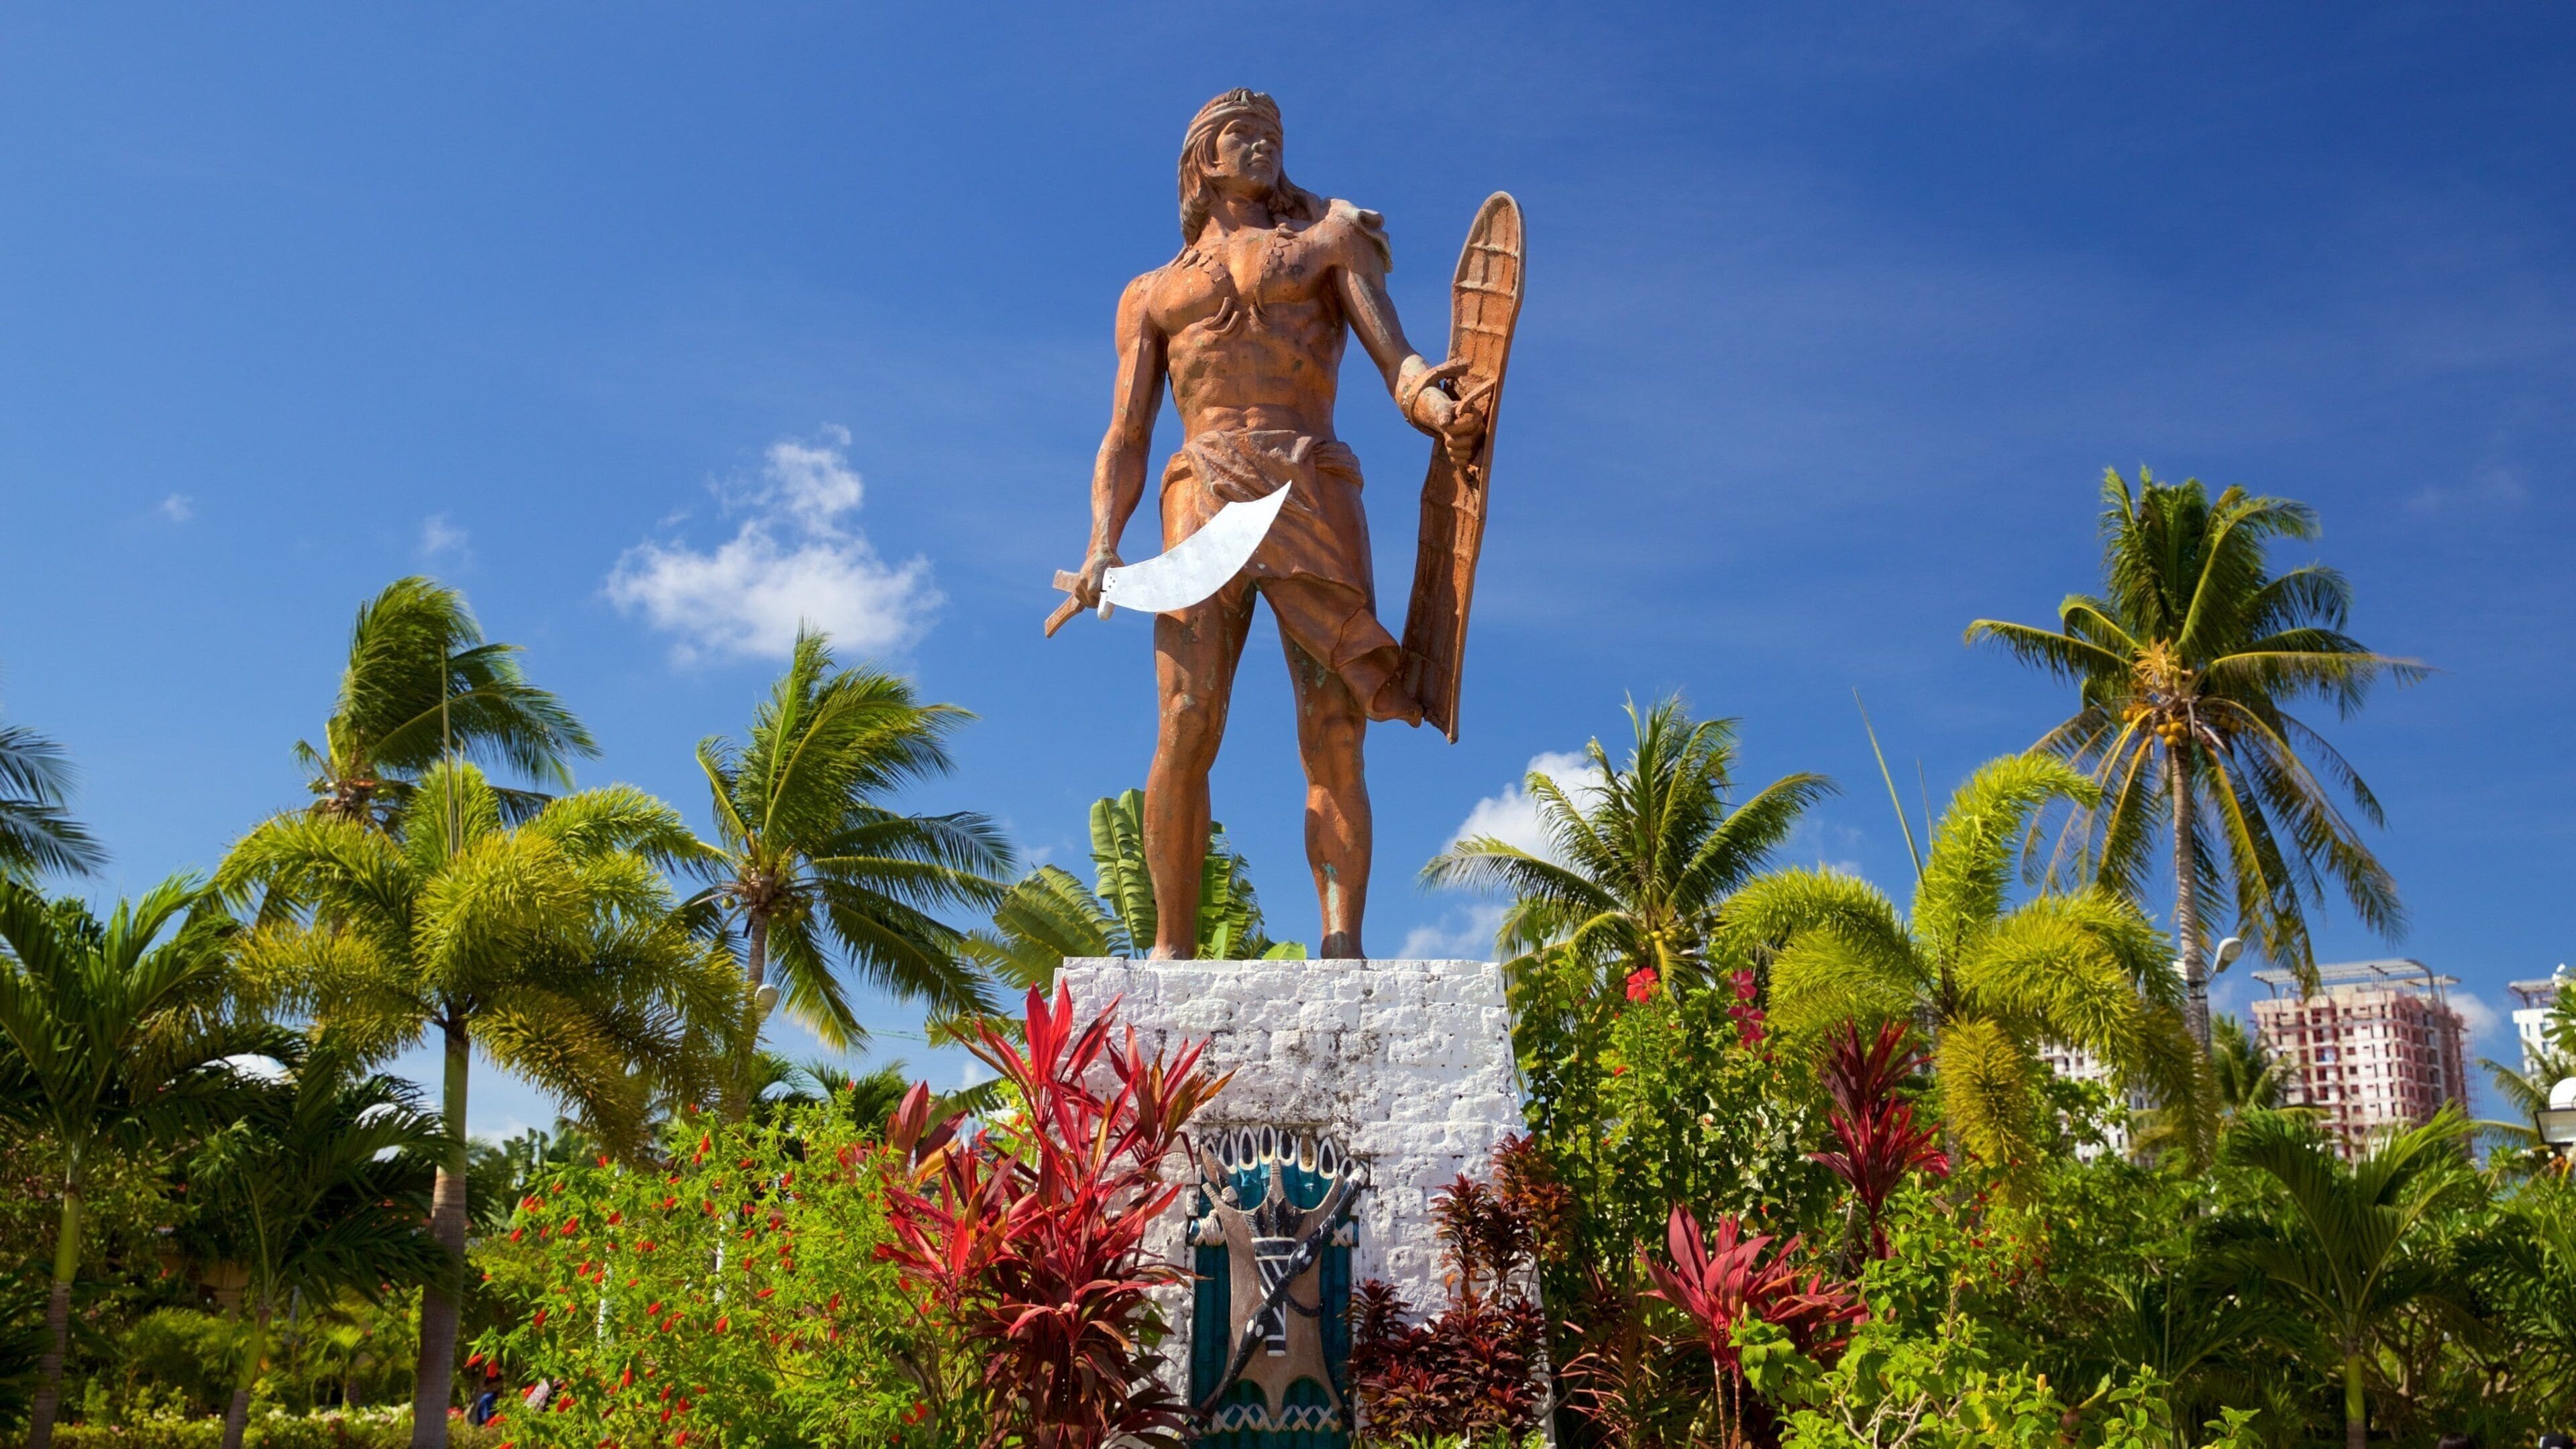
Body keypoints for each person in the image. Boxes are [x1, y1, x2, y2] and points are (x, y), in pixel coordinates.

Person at [1067, 89, 1483, 959]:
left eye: (1270, 136)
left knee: (1335, 725)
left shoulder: (1330, 240)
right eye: (1239, 136)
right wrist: (1104, 542)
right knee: (1185, 719)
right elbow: (1127, 434)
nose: (1260, 147)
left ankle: (1341, 945)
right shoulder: (1150, 294)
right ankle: (1172, 949)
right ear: (1202, 161)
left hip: (1311, 480)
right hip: (1201, 487)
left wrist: (1433, 403)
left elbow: (1396, 359)